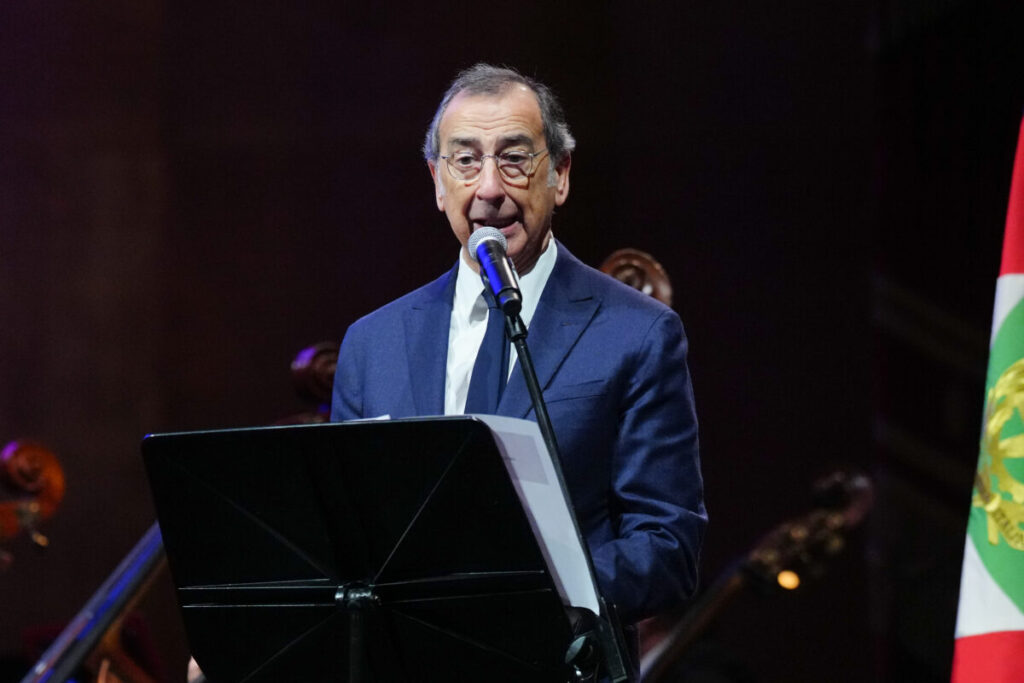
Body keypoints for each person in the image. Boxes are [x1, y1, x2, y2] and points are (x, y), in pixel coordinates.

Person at [331, 63, 706, 666]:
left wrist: (527, 595)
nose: (489, 188)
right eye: (465, 160)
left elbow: (667, 547)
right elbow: (346, 553)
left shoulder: (637, 334)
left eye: (515, 159)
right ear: (437, 182)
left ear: (560, 175)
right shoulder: (372, 345)